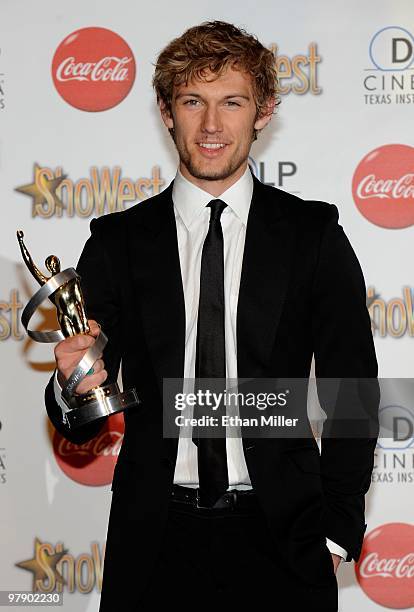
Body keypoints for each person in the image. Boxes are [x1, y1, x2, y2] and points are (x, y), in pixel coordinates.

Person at [44, 20, 379, 611]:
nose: (213, 125)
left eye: (233, 102)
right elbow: (81, 423)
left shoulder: (312, 236)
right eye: (193, 101)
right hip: (154, 540)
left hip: (284, 540)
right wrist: (73, 384)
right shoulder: (117, 242)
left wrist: (335, 528)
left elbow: (352, 391)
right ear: (166, 111)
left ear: (264, 111)